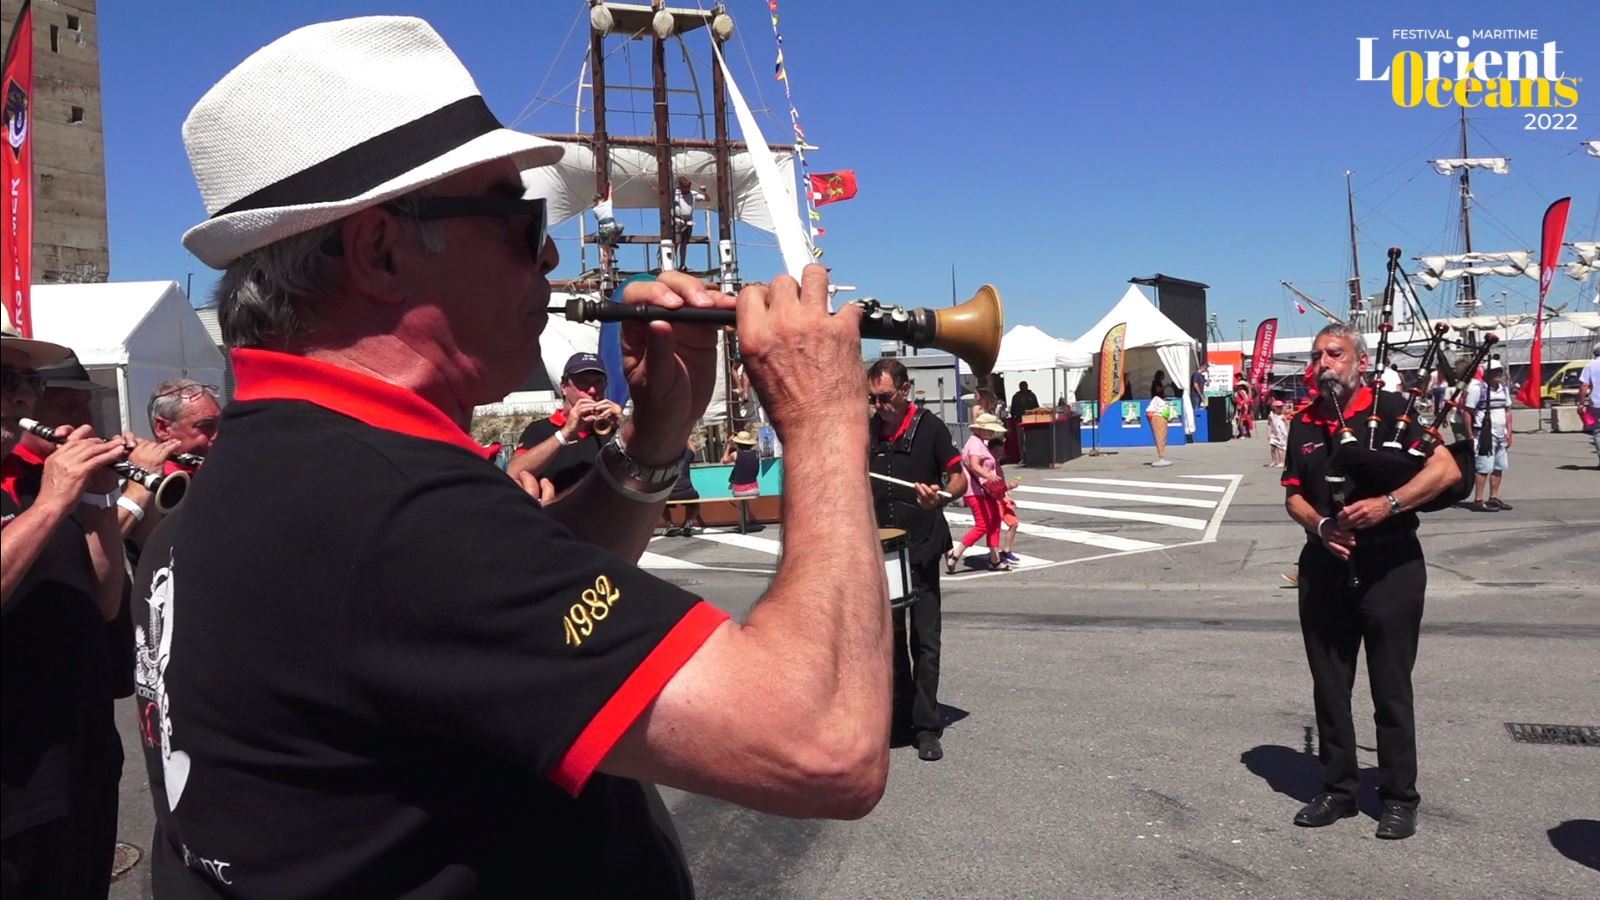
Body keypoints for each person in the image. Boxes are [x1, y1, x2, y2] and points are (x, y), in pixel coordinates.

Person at [133, 17, 890, 897]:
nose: (551, 252)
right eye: (516, 216)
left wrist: (653, 441)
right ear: (381, 250)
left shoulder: (274, 467)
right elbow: (825, 740)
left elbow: (507, 619)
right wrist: (826, 417)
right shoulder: (390, 509)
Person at [1280, 323, 1460, 841]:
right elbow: (1293, 494)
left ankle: (1399, 797)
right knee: (1330, 686)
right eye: (1317, 356)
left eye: (1334, 354)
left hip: (1392, 566)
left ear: (1359, 360)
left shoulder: (1396, 410)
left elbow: (1446, 471)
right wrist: (1320, 526)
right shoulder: (1304, 422)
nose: (1323, 364)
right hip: (1326, 566)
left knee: (1391, 687)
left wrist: (1390, 504)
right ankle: (1337, 790)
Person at [2, 319, 131, 899]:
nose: (24, 397)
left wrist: (102, 497)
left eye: (26, 380)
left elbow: (103, 603)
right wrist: (55, 502)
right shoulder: (44, 495)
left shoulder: (34, 482)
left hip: (78, 760)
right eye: (4, 380)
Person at [867, 359, 966, 763]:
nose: (878, 406)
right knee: (887, 643)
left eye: (885, 397)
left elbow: (958, 477)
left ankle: (926, 726)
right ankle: (900, 719)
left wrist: (942, 496)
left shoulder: (931, 428)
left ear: (905, 391)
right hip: (881, 552)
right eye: (872, 398)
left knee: (924, 641)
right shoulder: (867, 431)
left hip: (922, 546)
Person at [507, 351, 623, 495]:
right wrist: (565, 433)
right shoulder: (539, 429)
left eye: (598, 382)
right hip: (555, 514)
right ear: (563, 387)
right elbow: (513, 472)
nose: (592, 390)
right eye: (583, 382)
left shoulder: (615, 430)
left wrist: (624, 427)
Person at [950, 413, 1010, 573]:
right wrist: (989, 475)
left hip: (982, 489)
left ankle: (994, 558)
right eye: (989, 430)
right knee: (983, 525)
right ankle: (956, 553)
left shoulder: (978, 442)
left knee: (995, 519)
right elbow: (975, 465)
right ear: (981, 429)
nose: (992, 433)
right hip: (976, 490)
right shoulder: (976, 444)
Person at [1462, 360, 1513, 512]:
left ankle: (1494, 498)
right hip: (1485, 434)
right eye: (1494, 371)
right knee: (1484, 467)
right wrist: (1470, 435)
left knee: (1499, 467)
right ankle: (1478, 500)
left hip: (1500, 433)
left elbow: (1508, 410)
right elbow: (1467, 412)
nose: (1498, 374)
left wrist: (1509, 432)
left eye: (1499, 371)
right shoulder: (1478, 389)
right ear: (1486, 373)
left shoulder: (1503, 388)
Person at [147, 378, 221, 475]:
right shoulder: (148, 485)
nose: (217, 435)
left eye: (221, 424)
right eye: (205, 426)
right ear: (163, 429)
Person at [661, 435, 707, 536]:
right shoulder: (685, 456)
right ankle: (688, 522)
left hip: (669, 492)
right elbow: (693, 450)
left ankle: (670, 524)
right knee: (694, 501)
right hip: (687, 491)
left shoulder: (664, 458)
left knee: (660, 502)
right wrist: (686, 437)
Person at [671, 175, 706, 266]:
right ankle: (671, 264)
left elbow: (707, 198)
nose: (686, 189)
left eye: (688, 187)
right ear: (680, 186)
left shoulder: (693, 194)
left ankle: (682, 264)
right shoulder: (675, 193)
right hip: (678, 221)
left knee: (684, 244)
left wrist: (704, 192)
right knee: (675, 243)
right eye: (684, 187)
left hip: (688, 222)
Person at [721, 429, 760, 497]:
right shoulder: (756, 454)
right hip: (753, 489)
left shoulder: (735, 454)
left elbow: (724, 461)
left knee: (736, 468)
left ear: (737, 444)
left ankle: (732, 482)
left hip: (739, 490)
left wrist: (728, 445)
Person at [1580, 341, 1600, 466]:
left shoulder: (1590, 365)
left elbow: (1584, 385)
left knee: (1598, 431)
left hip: (1596, 402)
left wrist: (1582, 402)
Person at [1146, 391, 1173, 467]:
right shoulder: (1158, 402)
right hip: (1158, 414)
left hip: (1158, 414)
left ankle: (1161, 457)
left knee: (1160, 437)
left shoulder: (1159, 403)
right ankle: (1161, 457)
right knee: (1160, 437)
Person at [1267, 398, 1288, 467]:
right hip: (1274, 433)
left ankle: (1282, 462)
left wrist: (1287, 433)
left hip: (1281, 434)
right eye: (1278, 407)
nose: (1280, 409)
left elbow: (1286, 424)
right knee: (1272, 447)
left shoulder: (1282, 416)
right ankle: (1274, 461)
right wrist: (1269, 433)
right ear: (1274, 408)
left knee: (1280, 448)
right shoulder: (1271, 416)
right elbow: (1269, 425)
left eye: (1281, 407)